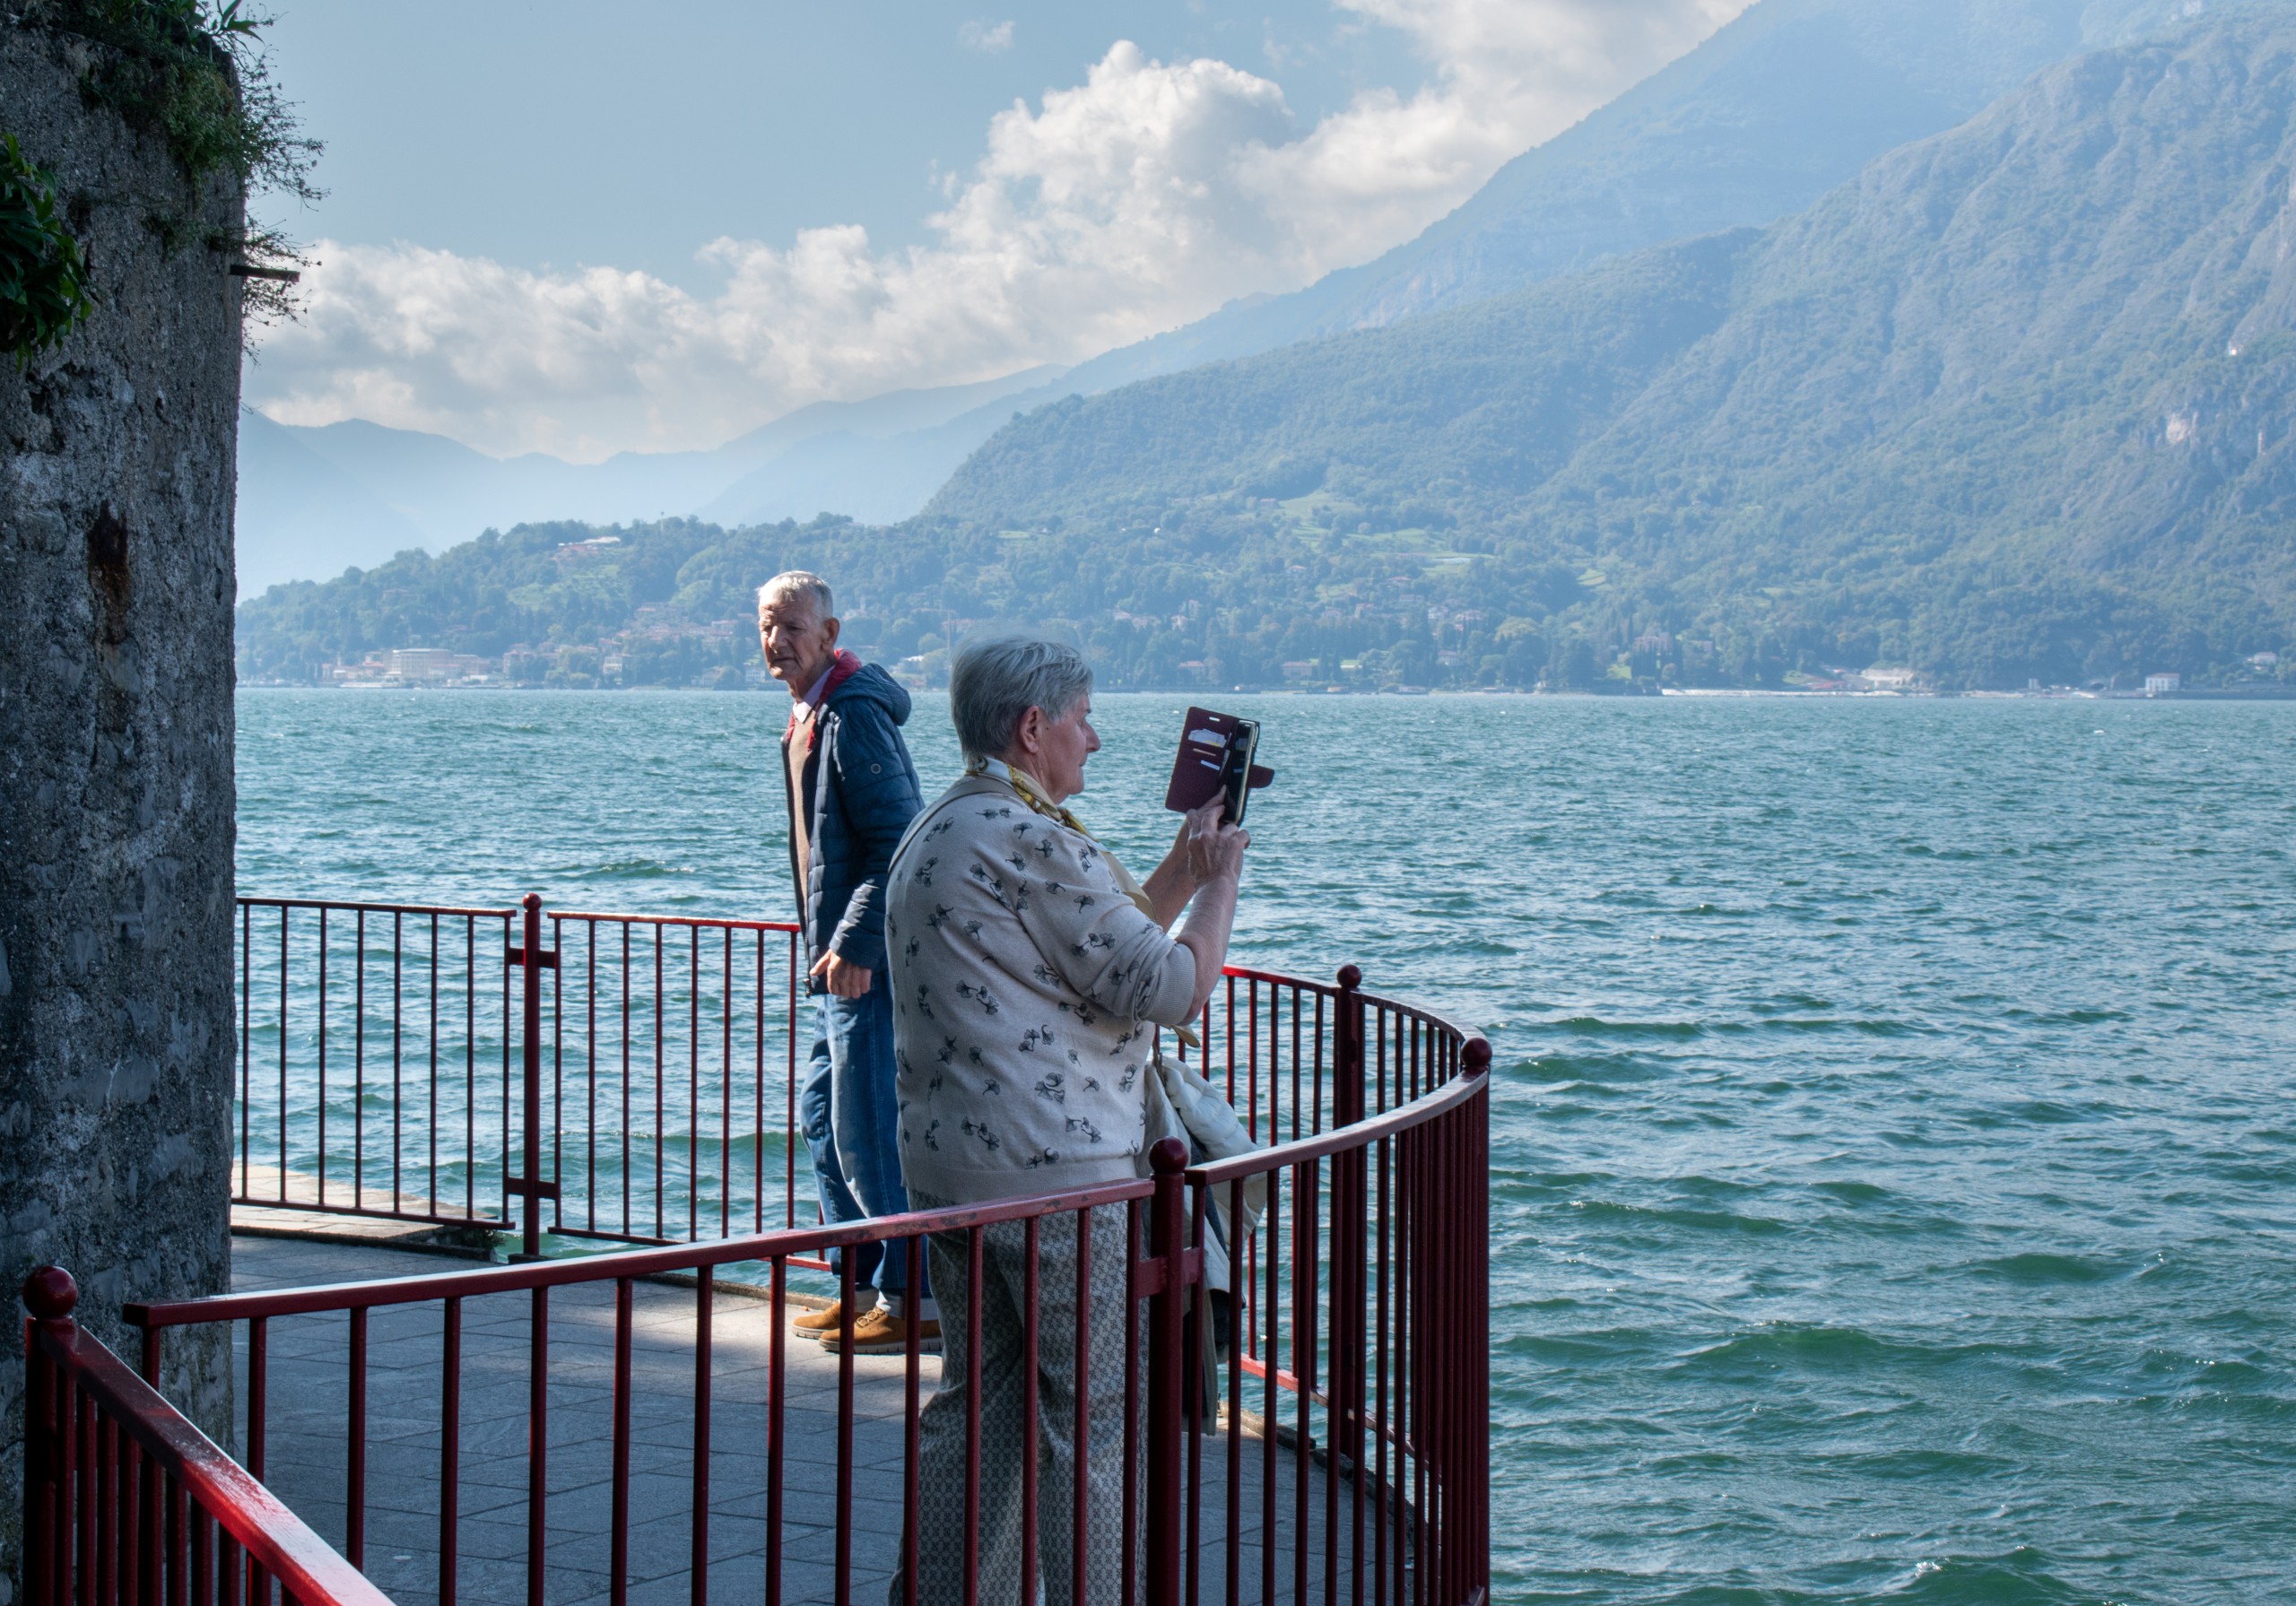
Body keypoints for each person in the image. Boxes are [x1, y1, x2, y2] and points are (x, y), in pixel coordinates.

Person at [883, 635, 1248, 1605]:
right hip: (1057, 1185)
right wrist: (1220, 883)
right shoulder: (1036, 838)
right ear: (1031, 727)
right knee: (1092, 1421)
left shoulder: (952, 825)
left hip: (955, 1176)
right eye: (1082, 715)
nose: (1095, 735)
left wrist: (1177, 863)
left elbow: (1093, 937)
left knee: (981, 1411)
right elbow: (1170, 983)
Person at [756, 570, 934, 1354]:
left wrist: (856, 943)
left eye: (794, 627)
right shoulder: (811, 711)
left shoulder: (852, 717)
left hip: (863, 961)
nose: (778, 640)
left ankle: (911, 1296)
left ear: (831, 634)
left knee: (866, 1129)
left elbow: (898, 836)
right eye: (768, 625)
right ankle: (856, 1281)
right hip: (833, 961)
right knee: (825, 1122)